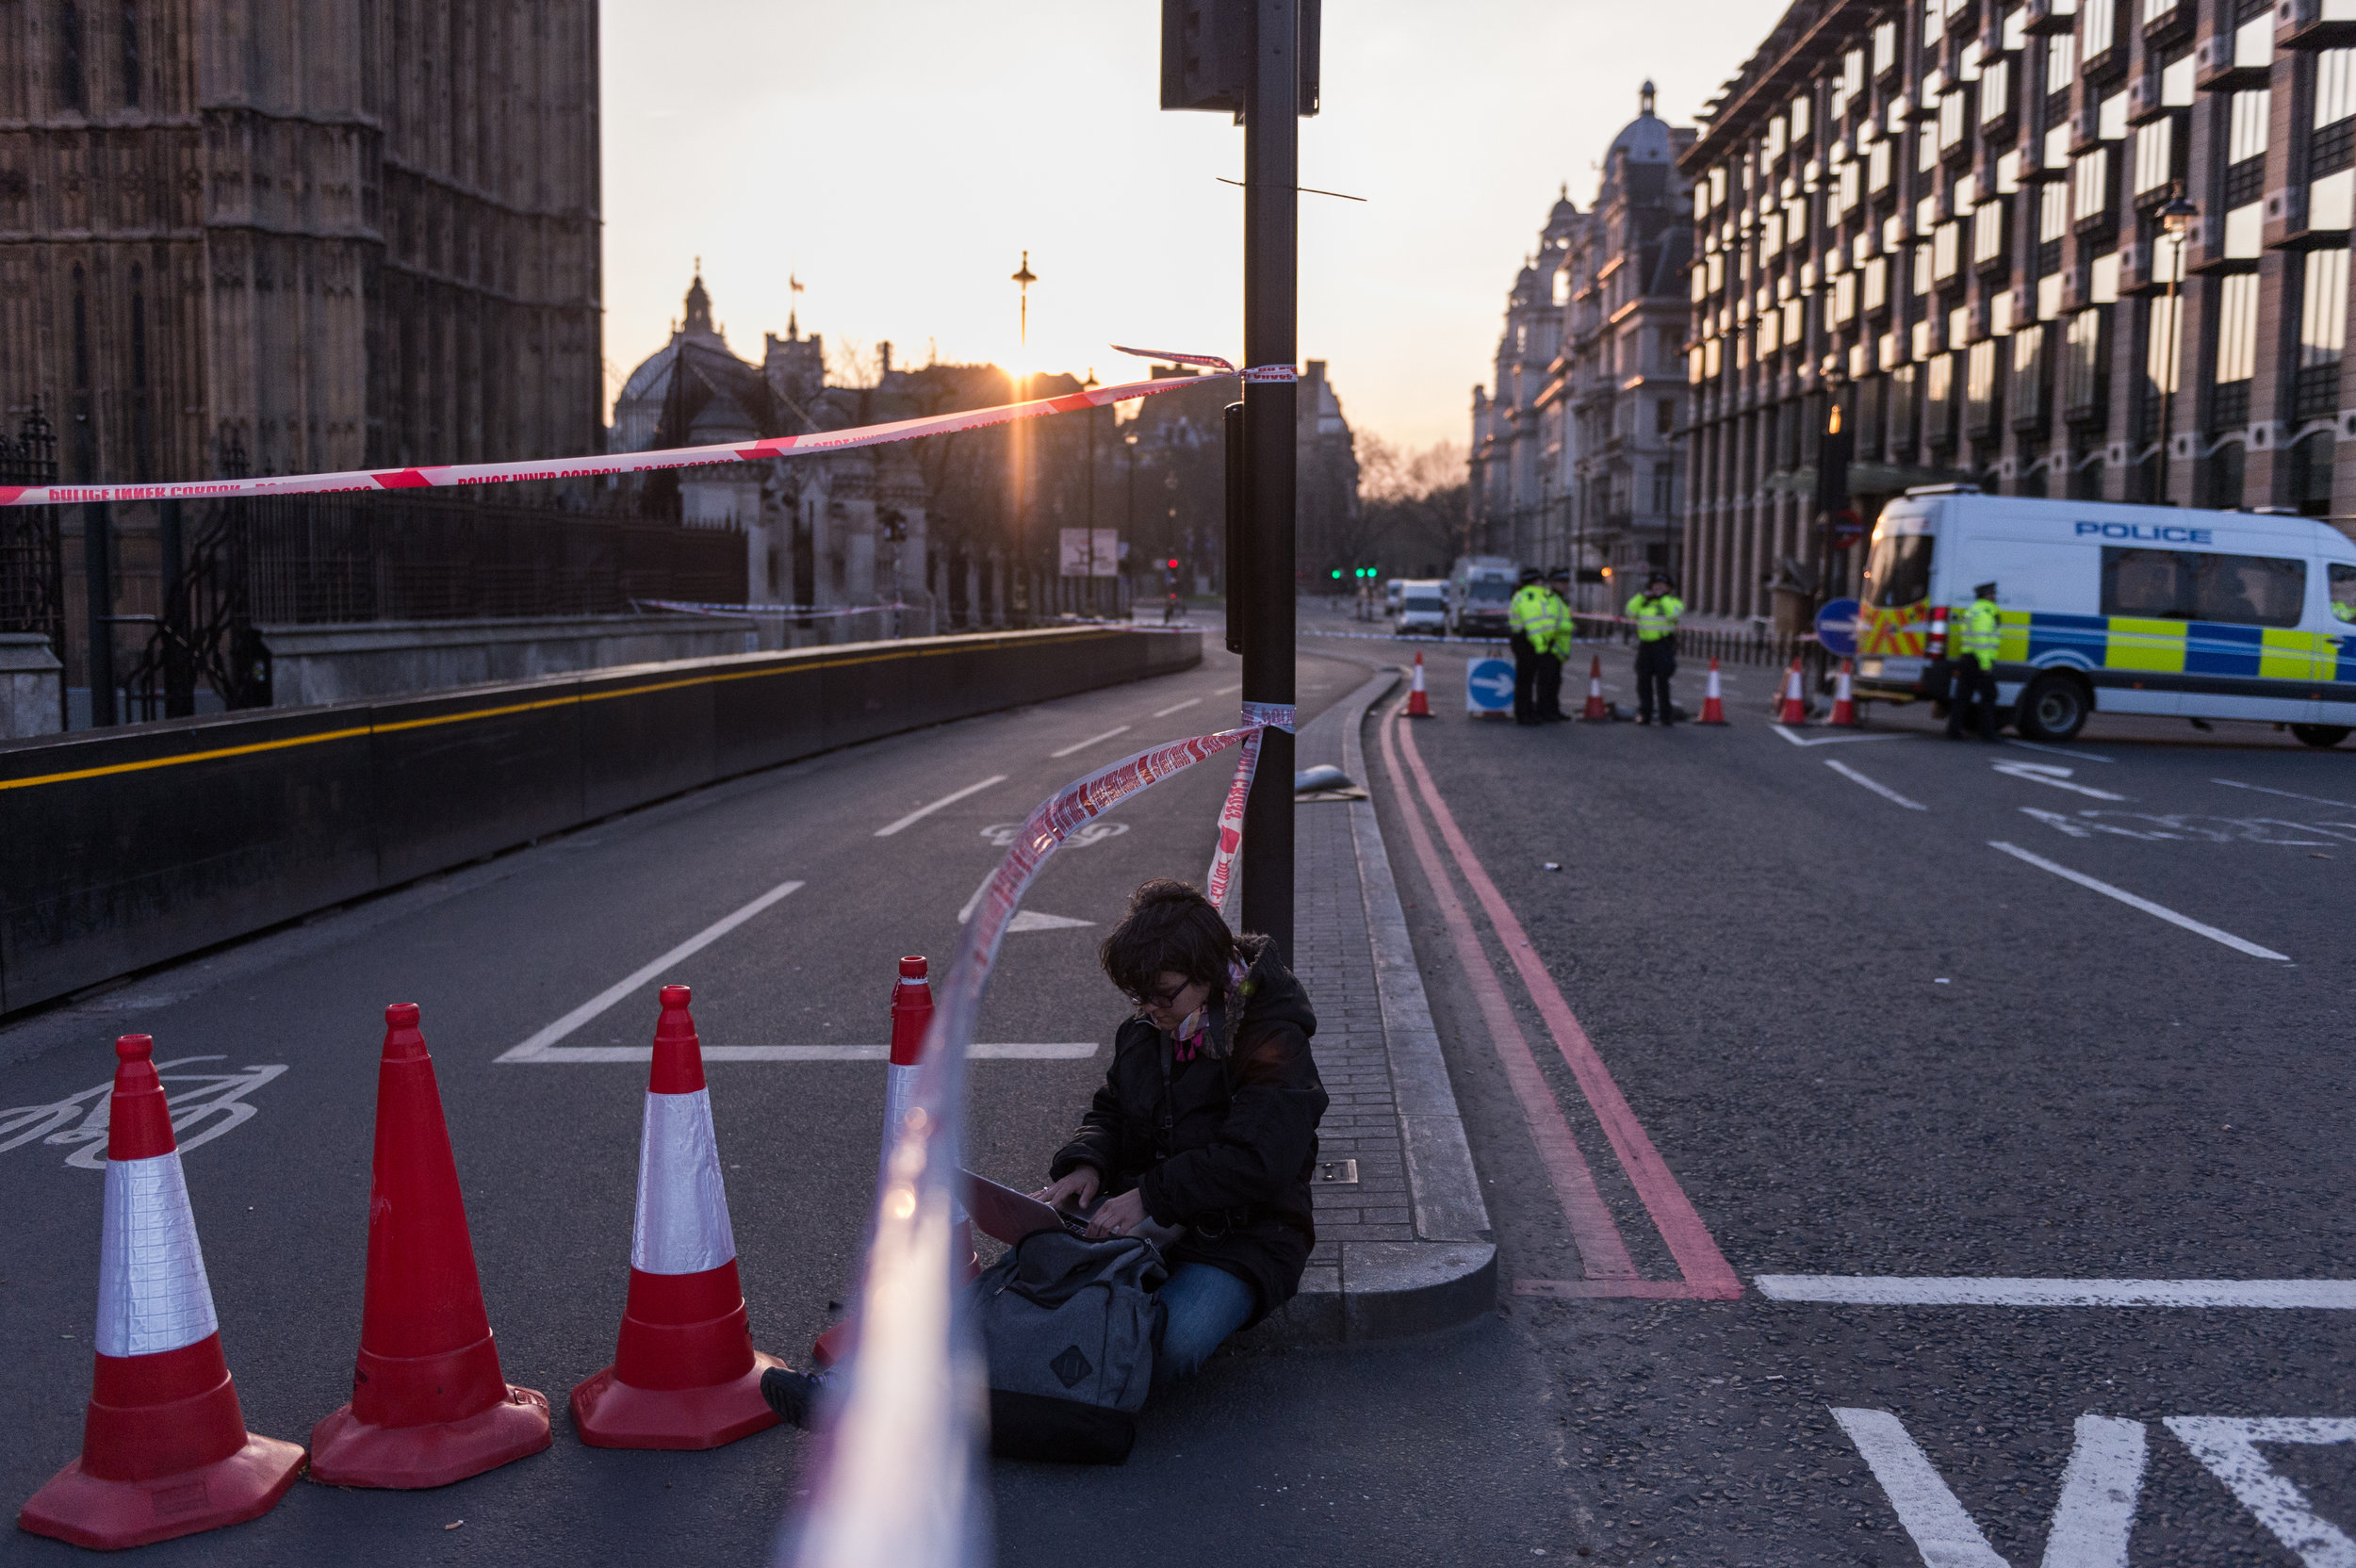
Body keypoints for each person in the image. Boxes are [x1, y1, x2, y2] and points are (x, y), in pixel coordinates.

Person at [756, 881, 1329, 1429]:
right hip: (1145, 1214)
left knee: (1172, 1344)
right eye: (1139, 997)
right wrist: (1088, 1164)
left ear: (1207, 973)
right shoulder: (1147, 1030)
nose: (1149, 1010)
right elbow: (1111, 1109)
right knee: (1022, 1284)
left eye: (1163, 995)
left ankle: (946, 1404)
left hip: (1245, 1234)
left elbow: (1262, 1159)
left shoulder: (1270, 1034)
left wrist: (1150, 1195)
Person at [1626, 570, 1683, 726]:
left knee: (1663, 681)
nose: (1658, 588)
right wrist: (1642, 596)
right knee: (1643, 681)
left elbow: (1673, 615)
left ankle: (1666, 715)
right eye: (1655, 585)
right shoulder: (1644, 602)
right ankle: (1645, 713)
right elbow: (1629, 611)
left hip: (1662, 645)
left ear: (1669, 588)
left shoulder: (1672, 602)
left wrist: (1663, 598)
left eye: (1662, 585)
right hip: (1645, 646)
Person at [1947, 580, 2002, 742]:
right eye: (1992, 594)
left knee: (1963, 696)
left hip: (1968, 659)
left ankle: (1954, 731)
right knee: (1990, 695)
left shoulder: (1973, 611)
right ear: (1986, 595)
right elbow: (1981, 640)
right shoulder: (1985, 613)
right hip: (1978, 661)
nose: (1995, 596)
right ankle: (1987, 733)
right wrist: (1985, 665)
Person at [1507, 566, 1562, 727]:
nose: (1542, 583)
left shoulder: (1530, 595)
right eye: (1540, 580)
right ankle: (1524, 714)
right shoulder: (1529, 596)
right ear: (1535, 581)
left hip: (1529, 640)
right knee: (1525, 680)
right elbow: (1532, 624)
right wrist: (1540, 645)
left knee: (1528, 680)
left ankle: (1528, 712)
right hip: (1527, 641)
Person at [1536, 567, 1575, 721]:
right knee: (1546, 681)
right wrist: (1570, 627)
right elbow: (1550, 623)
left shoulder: (1560, 600)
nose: (1565, 585)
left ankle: (1553, 709)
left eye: (1566, 582)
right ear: (1552, 583)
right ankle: (1544, 711)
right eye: (1561, 582)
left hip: (1558, 648)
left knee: (1555, 681)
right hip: (1550, 646)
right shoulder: (1550, 598)